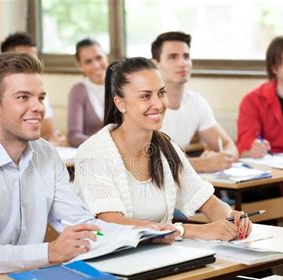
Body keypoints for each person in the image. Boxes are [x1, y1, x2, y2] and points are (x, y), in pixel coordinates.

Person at [0, 53, 170, 280]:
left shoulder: (45, 154)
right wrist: (50, 252)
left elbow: (80, 223)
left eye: (40, 98)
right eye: (23, 97)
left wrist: (141, 233)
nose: (38, 108)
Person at [74, 57, 251, 241]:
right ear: (120, 103)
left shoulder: (166, 148)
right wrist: (189, 231)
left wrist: (231, 217)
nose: (158, 104)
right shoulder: (93, 154)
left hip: (160, 257)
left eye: (161, 93)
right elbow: (113, 223)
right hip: (110, 261)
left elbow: (209, 203)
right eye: (145, 96)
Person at [151, 31, 238, 172]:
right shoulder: (146, 105)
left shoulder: (196, 102)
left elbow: (229, 145)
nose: (182, 63)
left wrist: (223, 158)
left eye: (186, 56)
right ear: (155, 64)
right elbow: (146, 164)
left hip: (180, 183)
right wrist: (202, 164)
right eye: (173, 57)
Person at [0, 32, 66, 145]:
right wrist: (49, 142)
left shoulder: (35, 88)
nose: (29, 62)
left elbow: (47, 130)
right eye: (23, 97)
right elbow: (4, 134)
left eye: (41, 98)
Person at [67, 38, 108, 147]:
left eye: (99, 57)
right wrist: (108, 144)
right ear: (80, 66)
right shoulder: (78, 91)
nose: (96, 65)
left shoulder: (121, 87)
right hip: (93, 153)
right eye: (88, 61)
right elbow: (73, 137)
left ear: (105, 56)